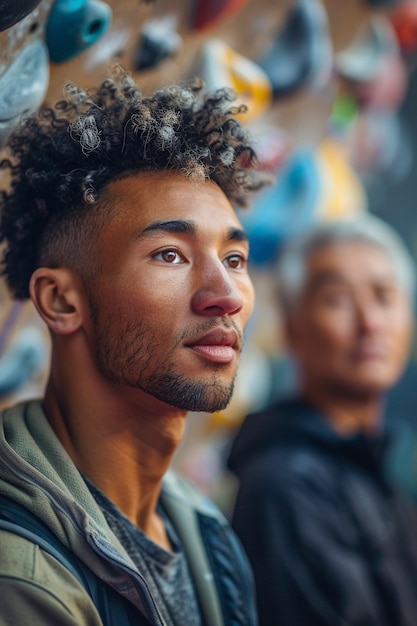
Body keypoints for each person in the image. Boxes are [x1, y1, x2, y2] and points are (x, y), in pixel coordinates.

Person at [0, 68, 271, 626]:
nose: (224, 296)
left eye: (235, 260)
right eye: (170, 254)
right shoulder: (21, 578)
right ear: (61, 301)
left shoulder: (205, 533)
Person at [228, 215, 417, 626]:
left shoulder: (369, 467)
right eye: (338, 299)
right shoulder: (285, 485)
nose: (370, 324)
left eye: (384, 297)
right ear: (291, 327)